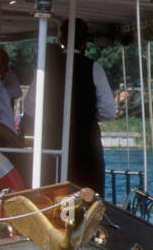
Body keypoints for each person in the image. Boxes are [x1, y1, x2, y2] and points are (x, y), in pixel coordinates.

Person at [28, 19, 114, 191]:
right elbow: (109, 111)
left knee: (51, 188)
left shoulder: (46, 68)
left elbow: (30, 106)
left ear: (61, 39)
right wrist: (87, 114)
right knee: (87, 191)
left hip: (53, 139)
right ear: (84, 43)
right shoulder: (94, 68)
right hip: (86, 143)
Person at [0, 49, 24, 131]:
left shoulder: (8, 77)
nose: (6, 68)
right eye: (4, 63)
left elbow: (18, 93)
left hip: (7, 129)